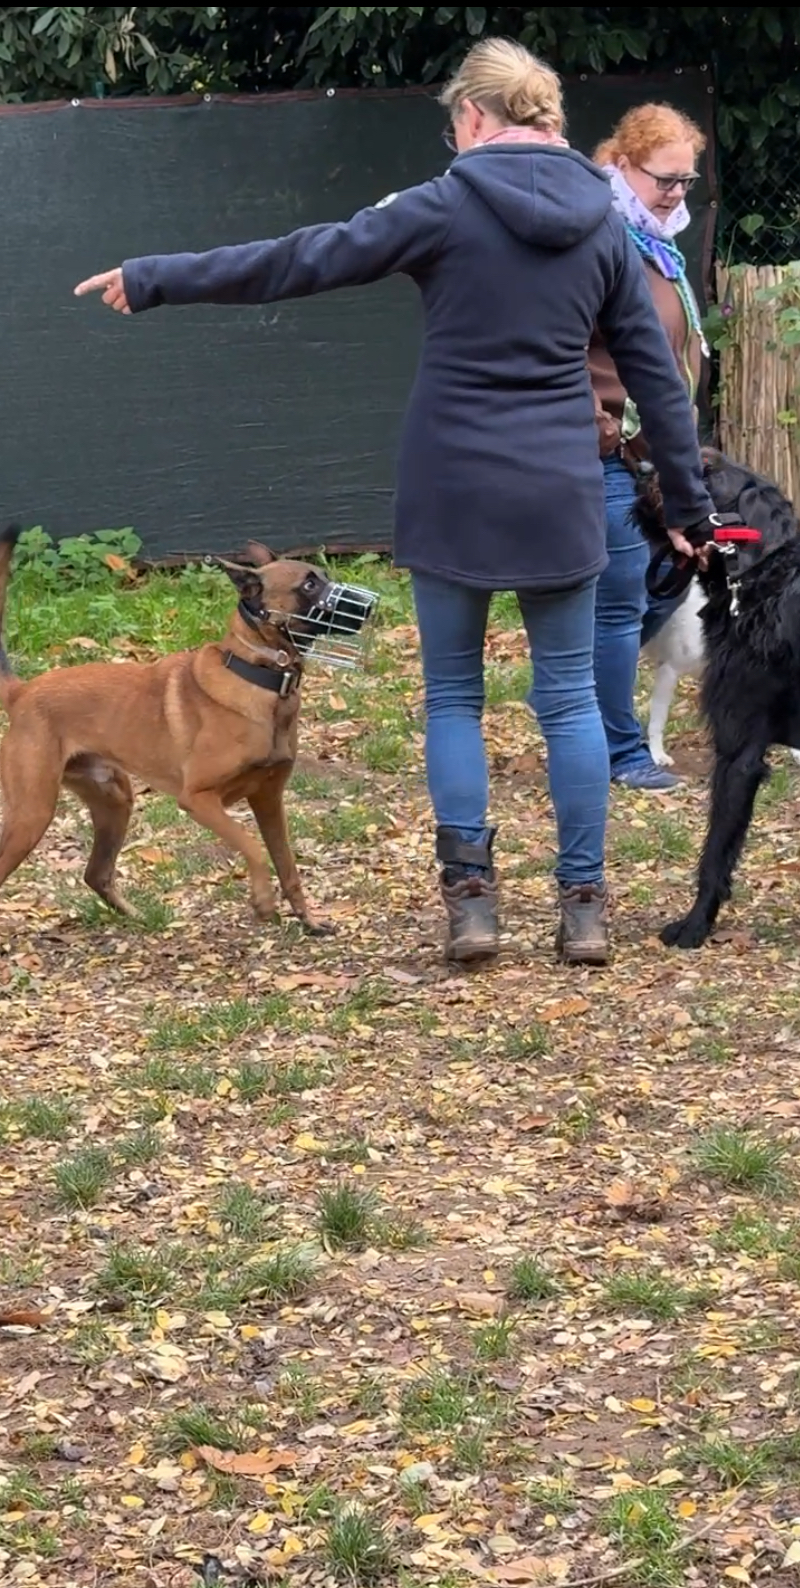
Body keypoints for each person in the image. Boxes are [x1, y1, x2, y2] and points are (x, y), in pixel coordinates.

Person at [75, 37, 715, 968]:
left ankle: (473, 907)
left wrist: (160, 275)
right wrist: (690, 506)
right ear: (548, 122)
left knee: (453, 695)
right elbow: (657, 379)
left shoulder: (443, 205)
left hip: (451, 483)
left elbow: (301, 260)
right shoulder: (606, 226)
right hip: (560, 489)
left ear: (470, 120)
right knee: (573, 700)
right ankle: (583, 910)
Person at [589, 104, 708, 792]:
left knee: (665, 581)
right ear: (621, 163)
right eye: (665, 180)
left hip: (657, 453)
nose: (676, 195)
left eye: (687, 182)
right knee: (622, 601)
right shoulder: (598, 236)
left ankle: (567, 696)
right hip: (608, 453)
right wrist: (600, 422)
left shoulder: (655, 241)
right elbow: (558, 338)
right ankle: (619, 748)